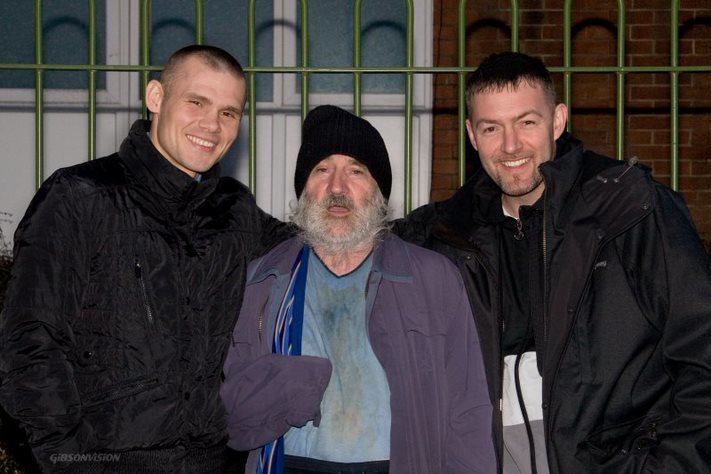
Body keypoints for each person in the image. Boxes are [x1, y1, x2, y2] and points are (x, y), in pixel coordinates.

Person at [394, 51, 711, 473]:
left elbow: (702, 352)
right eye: (492, 128)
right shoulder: (446, 233)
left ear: (558, 121)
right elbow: (341, 241)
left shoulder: (629, 208)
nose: (510, 146)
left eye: (527, 122)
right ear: (472, 135)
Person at [0, 45, 291, 472]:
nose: (212, 125)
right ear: (156, 97)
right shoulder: (79, 197)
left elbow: (320, 244)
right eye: (196, 102)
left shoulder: (235, 209)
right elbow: (29, 345)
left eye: (229, 113)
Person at [220, 105, 496, 474]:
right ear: (304, 190)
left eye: (355, 171)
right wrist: (291, 384)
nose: (337, 188)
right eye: (322, 170)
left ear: (378, 191)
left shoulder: (433, 278)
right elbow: (234, 416)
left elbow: (468, 412)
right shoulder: (264, 280)